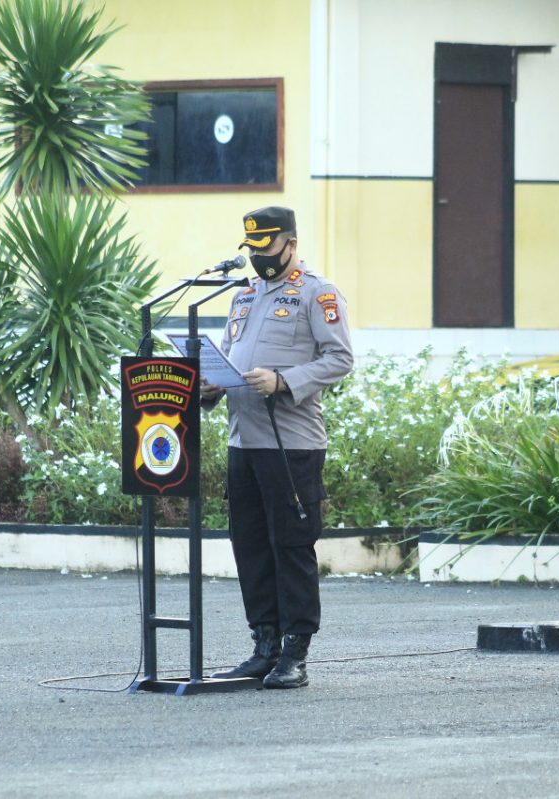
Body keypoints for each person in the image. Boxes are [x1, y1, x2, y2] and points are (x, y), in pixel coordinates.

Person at [200, 206, 353, 689]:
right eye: (252, 248)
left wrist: (284, 380)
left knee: (290, 547)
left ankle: (295, 654)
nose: (259, 257)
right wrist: (211, 386)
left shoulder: (317, 293)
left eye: (266, 247)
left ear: (291, 243)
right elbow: (230, 355)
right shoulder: (243, 296)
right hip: (243, 440)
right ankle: (263, 646)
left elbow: (340, 358)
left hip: (291, 444)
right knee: (250, 546)